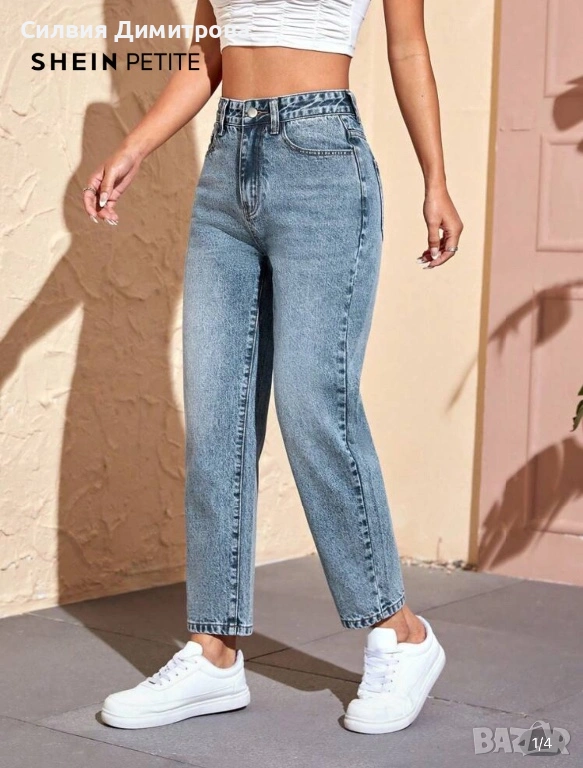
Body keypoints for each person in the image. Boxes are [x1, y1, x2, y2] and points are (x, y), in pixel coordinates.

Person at [83, 0, 463, 736]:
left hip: (323, 161)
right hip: (226, 169)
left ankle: (401, 633)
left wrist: (435, 181)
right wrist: (135, 146)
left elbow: (408, 49)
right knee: (214, 419)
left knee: (313, 402)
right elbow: (208, 55)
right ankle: (215, 650)